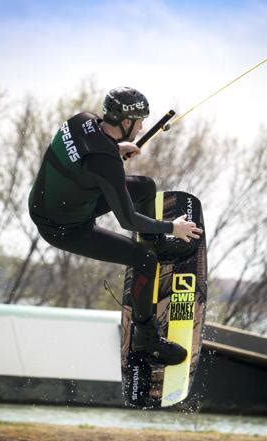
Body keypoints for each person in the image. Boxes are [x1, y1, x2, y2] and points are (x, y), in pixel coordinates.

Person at [28, 86, 202, 366]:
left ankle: (154, 242)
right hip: (64, 227)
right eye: (140, 121)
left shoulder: (82, 119)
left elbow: (88, 151)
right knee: (144, 259)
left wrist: (115, 149)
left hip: (60, 203)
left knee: (145, 187)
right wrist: (173, 228)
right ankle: (146, 339)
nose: (143, 126)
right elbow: (127, 220)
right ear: (125, 122)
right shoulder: (104, 161)